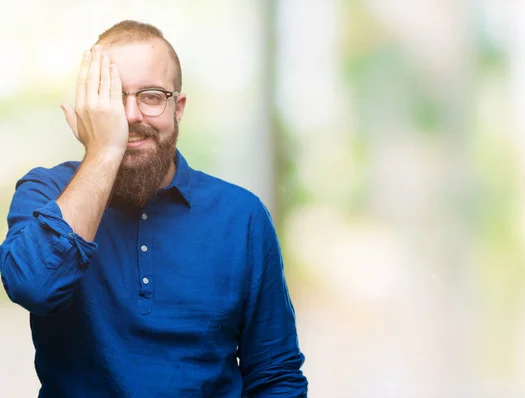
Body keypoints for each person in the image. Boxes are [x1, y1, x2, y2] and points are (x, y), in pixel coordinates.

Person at [0, 20, 308, 397]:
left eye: (150, 96)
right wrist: (103, 153)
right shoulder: (46, 191)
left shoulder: (242, 217)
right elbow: (34, 287)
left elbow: (275, 376)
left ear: (178, 108)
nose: (130, 116)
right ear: (89, 107)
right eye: (112, 96)